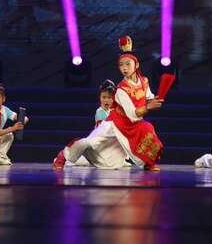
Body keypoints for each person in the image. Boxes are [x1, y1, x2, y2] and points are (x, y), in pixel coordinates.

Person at [64, 36, 165, 171]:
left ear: (136, 65)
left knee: (146, 131)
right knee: (89, 143)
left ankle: (148, 163)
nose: (124, 68)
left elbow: (148, 98)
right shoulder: (121, 89)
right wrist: (149, 107)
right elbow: (132, 114)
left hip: (131, 126)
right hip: (115, 124)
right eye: (121, 65)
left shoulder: (144, 82)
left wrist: (155, 101)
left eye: (127, 64)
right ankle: (63, 156)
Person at [53, 79, 117, 168]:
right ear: (99, 97)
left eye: (109, 97)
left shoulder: (116, 111)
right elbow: (103, 134)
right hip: (99, 149)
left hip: (111, 152)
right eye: (104, 97)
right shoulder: (100, 112)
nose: (106, 100)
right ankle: (63, 157)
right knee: (83, 144)